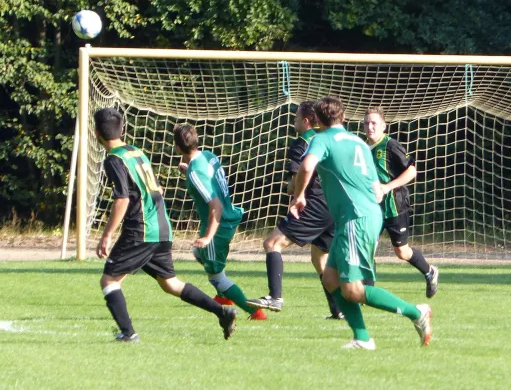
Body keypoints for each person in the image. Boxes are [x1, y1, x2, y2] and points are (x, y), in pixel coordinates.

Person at [289, 96, 432, 350]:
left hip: (356, 219)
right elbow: (375, 187)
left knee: (353, 290)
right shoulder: (359, 142)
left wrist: (299, 195)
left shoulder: (322, 139)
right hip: (361, 216)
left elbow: (307, 165)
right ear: (343, 118)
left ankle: (416, 312)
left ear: (319, 121)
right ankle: (362, 337)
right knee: (331, 279)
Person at [94, 108, 237, 342]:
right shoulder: (136, 152)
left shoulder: (115, 159)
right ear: (123, 129)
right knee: (170, 284)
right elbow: (157, 189)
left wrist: (107, 235)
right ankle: (222, 311)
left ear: (97, 132)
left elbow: (122, 199)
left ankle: (128, 334)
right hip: (161, 225)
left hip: (141, 230)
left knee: (109, 280)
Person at [246, 101, 343, 319]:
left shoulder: (302, 143)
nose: (294, 121)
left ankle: (275, 297)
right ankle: (340, 310)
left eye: (297, 117)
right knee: (320, 259)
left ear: (306, 120)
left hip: (313, 204)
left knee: (272, 243)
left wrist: (293, 190)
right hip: (334, 205)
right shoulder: (331, 139)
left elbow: (299, 176)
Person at [173, 124, 266, 321]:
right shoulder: (208, 156)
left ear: (178, 148)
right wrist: (189, 171)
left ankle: (255, 312)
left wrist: (208, 236)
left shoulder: (195, 173)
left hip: (219, 225)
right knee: (199, 254)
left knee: (216, 276)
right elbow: (209, 181)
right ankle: (224, 297)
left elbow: (216, 207)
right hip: (227, 218)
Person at [363, 107, 439, 297]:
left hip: (395, 206)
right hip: (373, 208)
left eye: (374, 123)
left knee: (402, 252)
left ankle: (430, 272)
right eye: (366, 123)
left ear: (383, 126)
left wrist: (387, 187)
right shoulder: (362, 148)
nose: (370, 127)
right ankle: (367, 293)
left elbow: (412, 171)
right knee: (367, 246)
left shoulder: (390, 145)